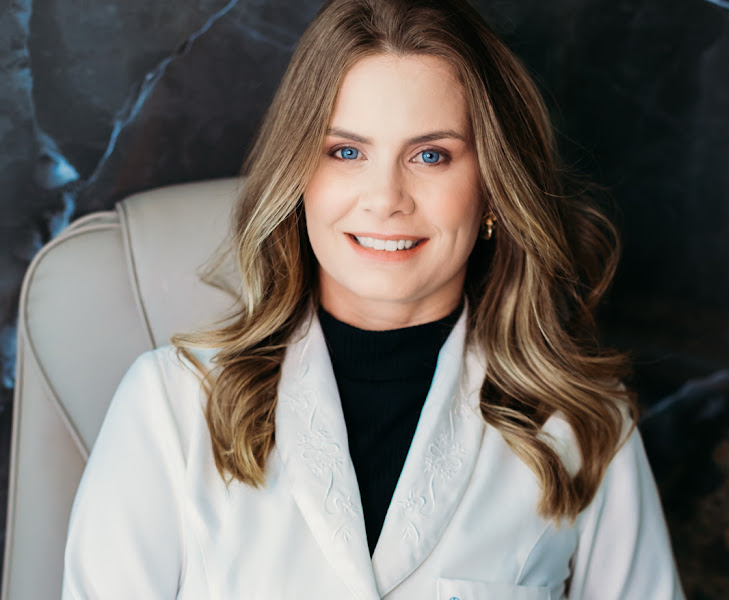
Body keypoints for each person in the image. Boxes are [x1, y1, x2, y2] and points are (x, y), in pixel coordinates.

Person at [62, 0, 685, 598]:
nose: (386, 198)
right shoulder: (170, 406)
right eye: (347, 152)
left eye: (431, 155)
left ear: (493, 187)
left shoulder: (583, 427)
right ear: (298, 177)